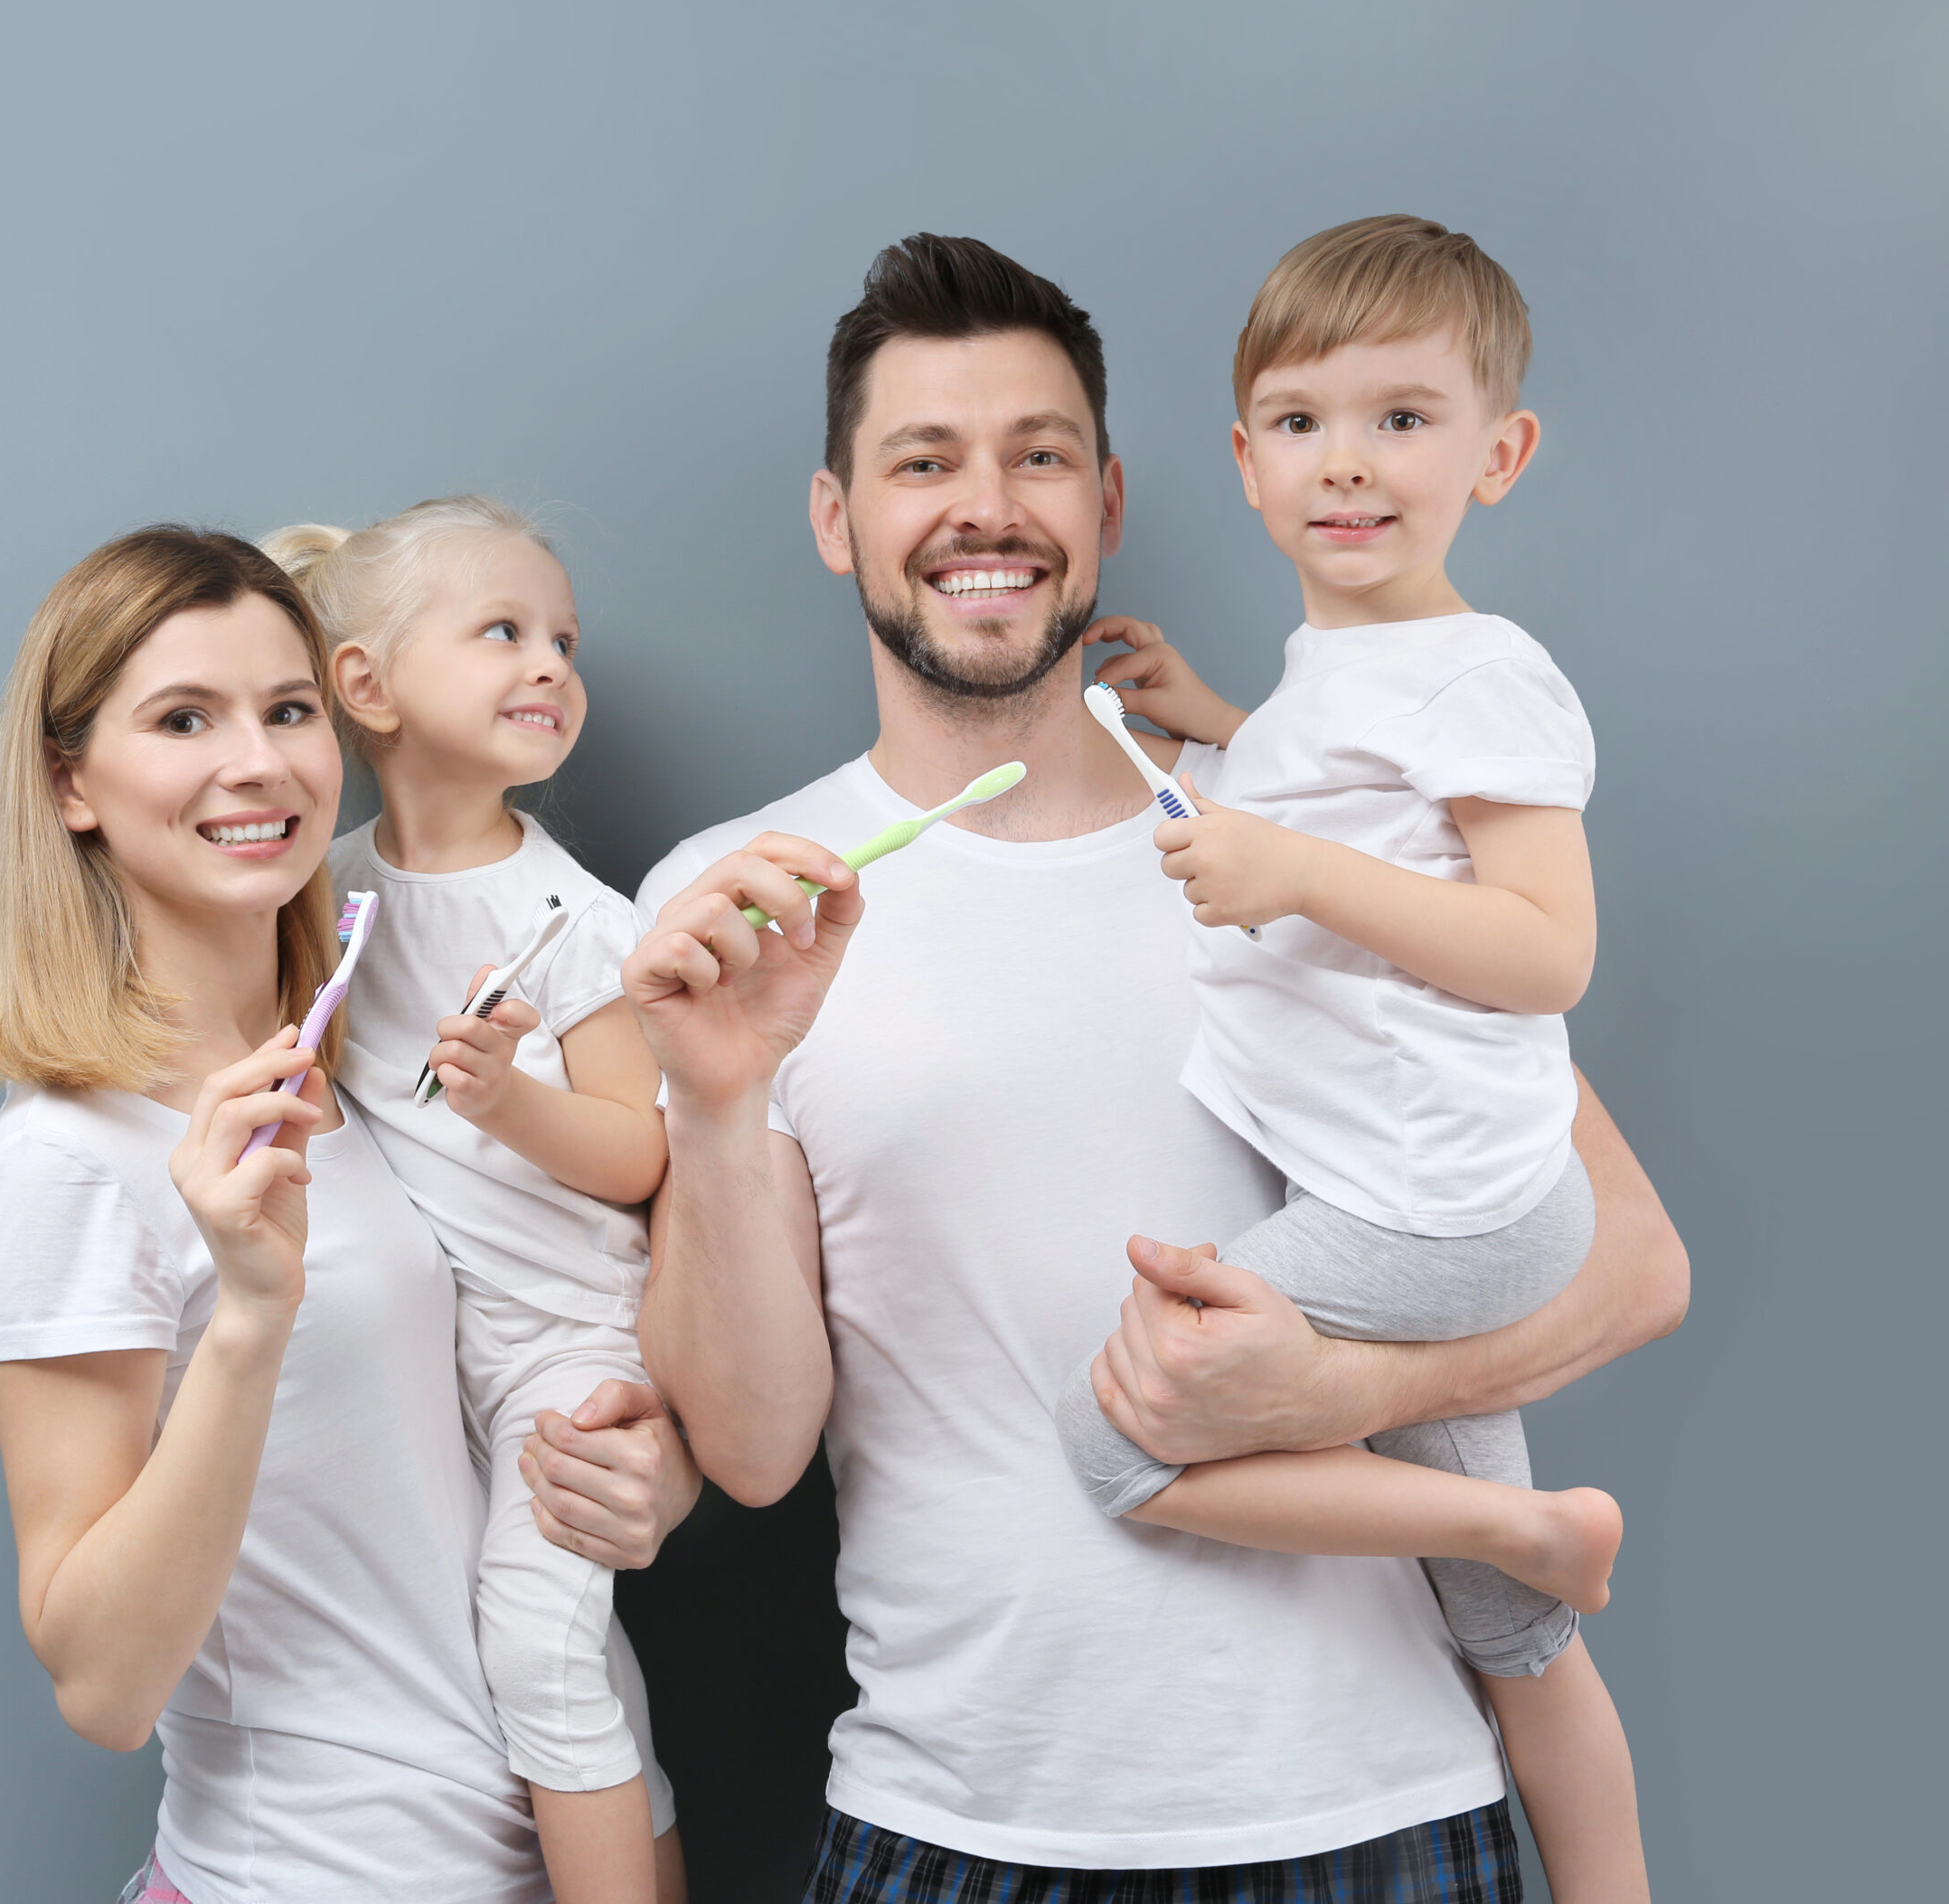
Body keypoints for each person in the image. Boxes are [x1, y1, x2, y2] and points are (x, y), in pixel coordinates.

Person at [625, 235, 1688, 1899]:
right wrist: (714, 1094)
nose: (986, 507)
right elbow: (754, 1453)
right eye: (924, 461)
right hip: (955, 1825)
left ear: (1108, 500)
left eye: (1036, 455)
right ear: (839, 517)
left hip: (1383, 1820)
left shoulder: (1313, 827)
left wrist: (1353, 1395)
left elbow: (1629, 1263)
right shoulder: (738, 899)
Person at [0, 526, 695, 1903]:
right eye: (182, 719)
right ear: (71, 783)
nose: (259, 761)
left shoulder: (357, 1067)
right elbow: (100, 1687)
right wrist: (247, 1322)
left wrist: (652, 1469)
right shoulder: (72, 1157)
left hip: (568, 1832)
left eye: (289, 711)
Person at [1051, 215, 1645, 1899]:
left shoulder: (1488, 673)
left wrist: (1295, 871)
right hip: (1431, 1191)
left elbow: (1548, 948)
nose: (1350, 465)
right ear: (1246, 463)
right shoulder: (1354, 672)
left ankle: (1533, 1526)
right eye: (1304, 422)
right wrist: (1222, 724)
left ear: (1499, 453)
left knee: (1123, 1439)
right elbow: (1366, 782)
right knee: (1521, 1653)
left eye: (1405, 418)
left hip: (1432, 1211)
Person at [264, 499, 676, 1904]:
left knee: (540, 1650)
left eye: (563, 638)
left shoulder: (577, 925)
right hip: (431, 1373)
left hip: (569, 1354)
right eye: (503, 631)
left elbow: (637, 1153)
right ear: (366, 688)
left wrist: (509, 1102)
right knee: (569, 1658)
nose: (552, 662)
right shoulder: (322, 902)